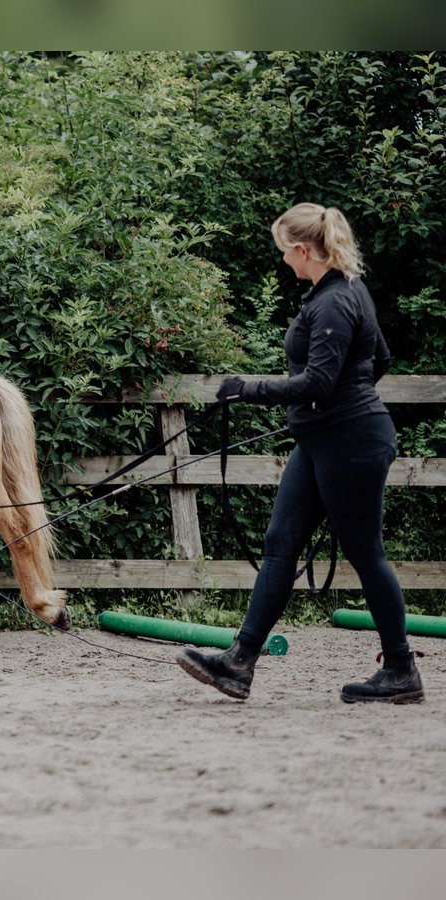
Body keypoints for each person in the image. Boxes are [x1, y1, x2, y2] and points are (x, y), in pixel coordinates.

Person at [176, 202, 424, 704]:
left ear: (303, 249)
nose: (284, 261)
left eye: (284, 252)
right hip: (324, 440)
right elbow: (379, 360)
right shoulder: (337, 292)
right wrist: (327, 413)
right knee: (280, 542)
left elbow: (320, 380)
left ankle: (401, 669)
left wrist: (247, 388)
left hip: (352, 442)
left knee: (365, 552)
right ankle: (239, 662)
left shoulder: (335, 301)